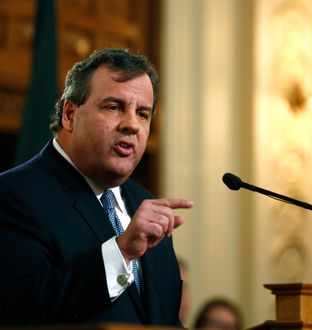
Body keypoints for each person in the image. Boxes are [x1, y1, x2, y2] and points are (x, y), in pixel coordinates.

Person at [0, 48, 193, 326]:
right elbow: (20, 310)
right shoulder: (14, 194)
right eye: (114, 107)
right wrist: (122, 252)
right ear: (70, 115)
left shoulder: (146, 205)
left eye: (142, 113)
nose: (132, 125)